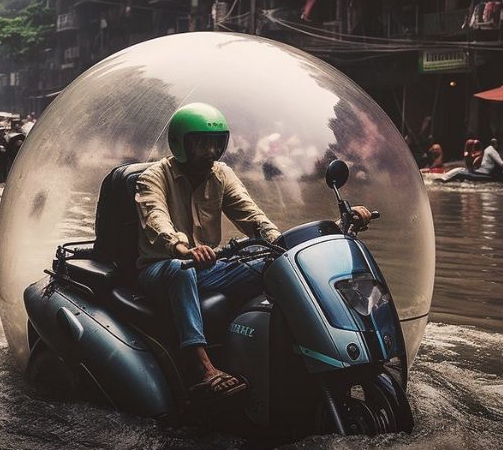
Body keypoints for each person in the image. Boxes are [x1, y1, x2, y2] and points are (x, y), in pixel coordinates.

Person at [134, 103, 372, 402]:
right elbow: (156, 220)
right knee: (179, 271)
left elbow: (255, 220)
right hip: (161, 268)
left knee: (268, 263)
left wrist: (289, 244)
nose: (210, 152)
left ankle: (294, 347)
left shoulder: (221, 175)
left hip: (209, 265)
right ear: (181, 144)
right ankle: (204, 367)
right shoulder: (154, 177)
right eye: (201, 143)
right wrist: (183, 248)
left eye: (216, 144)